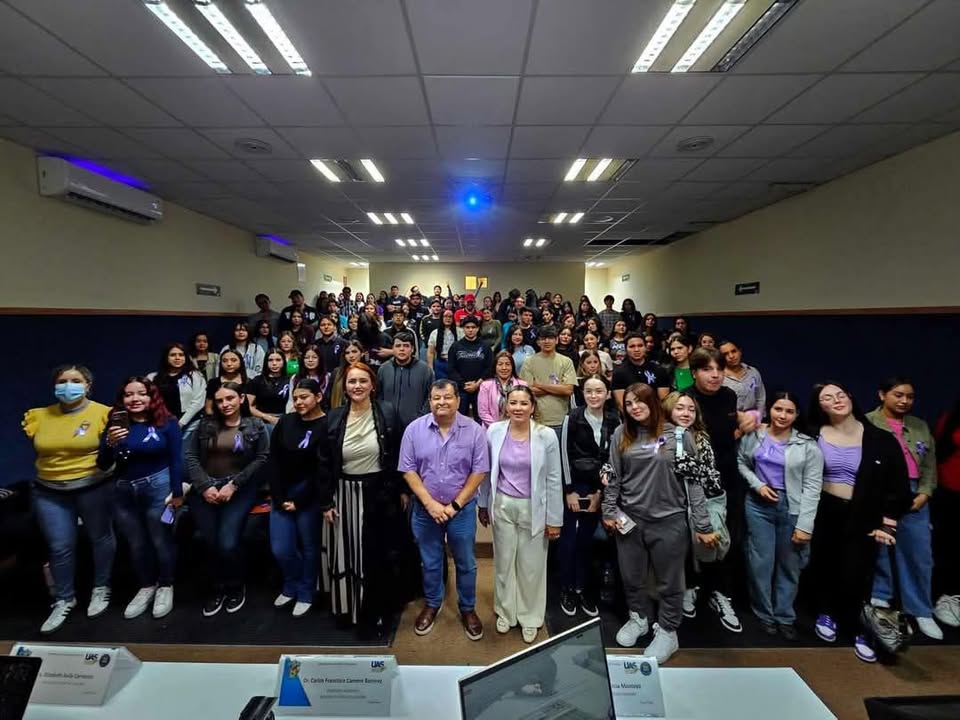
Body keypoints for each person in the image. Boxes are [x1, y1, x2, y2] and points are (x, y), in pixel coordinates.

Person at [602, 383, 713, 664]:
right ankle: (639, 618)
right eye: (629, 403)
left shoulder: (679, 435)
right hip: (630, 520)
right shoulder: (621, 434)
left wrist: (702, 524)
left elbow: (695, 482)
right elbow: (613, 475)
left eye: (640, 401)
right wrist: (609, 510)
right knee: (632, 576)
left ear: (653, 402)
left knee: (670, 581)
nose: (635, 407)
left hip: (669, 521)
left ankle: (667, 631)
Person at [806, 381, 912, 662]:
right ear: (820, 406)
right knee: (824, 564)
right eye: (828, 398)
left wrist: (888, 524)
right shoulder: (813, 434)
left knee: (857, 573)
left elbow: (898, 486)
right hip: (825, 510)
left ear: (850, 397)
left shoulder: (880, 439)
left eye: (841, 394)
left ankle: (859, 629)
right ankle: (826, 613)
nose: (837, 400)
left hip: (864, 514)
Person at [23, 364, 114, 633]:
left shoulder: (103, 413)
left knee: (101, 537)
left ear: (88, 385)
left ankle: (101, 586)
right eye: (63, 380)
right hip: (49, 489)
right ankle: (64, 598)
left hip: (93, 486)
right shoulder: (38, 416)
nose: (68, 385)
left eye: (76, 380)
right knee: (60, 546)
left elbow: (111, 452)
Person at [322, 363, 410, 636]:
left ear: (373, 385)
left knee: (377, 555)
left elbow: (398, 454)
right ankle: (348, 608)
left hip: (380, 492)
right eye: (352, 382)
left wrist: (402, 489)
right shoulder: (334, 417)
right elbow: (324, 462)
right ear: (345, 387)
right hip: (345, 493)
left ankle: (377, 611)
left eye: (362, 381)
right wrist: (327, 501)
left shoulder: (388, 412)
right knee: (348, 553)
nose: (357, 386)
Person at [400, 380, 490, 640]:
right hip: (425, 510)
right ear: (430, 401)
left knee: (466, 563)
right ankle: (432, 602)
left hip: (460, 510)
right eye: (436, 398)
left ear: (458, 400)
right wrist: (430, 503)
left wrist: (454, 506)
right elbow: (408, 469)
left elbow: (479, 471)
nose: (442, 402)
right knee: (430, 561)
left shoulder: (474, 431)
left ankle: (467, 608)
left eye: (447, 397)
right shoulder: (414, 430)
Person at [478, 385, 562, 644]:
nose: (518, 408)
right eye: (513, 403)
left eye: (524, 403)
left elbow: (553, 478)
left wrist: (554, 519)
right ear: (506, 406)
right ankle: (506, 611)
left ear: (533, 407)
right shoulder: (494, 431)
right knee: (503, 562)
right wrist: (483, 503)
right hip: (503, 504)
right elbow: (486, 470)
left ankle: (529, 617)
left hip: (534, 507)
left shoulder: (546, 436)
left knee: (531, 566)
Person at [738, 390, 823, 638]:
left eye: (789, 411)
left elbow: (813, 487)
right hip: (758, 504)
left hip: (793, 507)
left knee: (790, 565)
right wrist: (758, 485)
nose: (783, 415)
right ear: (769, 411)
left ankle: (784, 615)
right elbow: (741, 462)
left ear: (797, 414)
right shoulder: (754, 436)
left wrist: (805, 525)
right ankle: (764, 613)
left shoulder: (808, 445)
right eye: (778, 409)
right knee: (760, 562)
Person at [98, 376, 183, 620]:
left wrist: (177, 493)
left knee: (160, 539)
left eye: (141, 393)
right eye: (128, 394)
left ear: (151, 396)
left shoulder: (167, 422)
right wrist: (108, 443)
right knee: (136, 543)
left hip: (158, 485)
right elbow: (103, 465)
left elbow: (176, 459)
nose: (135, 399)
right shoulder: (115, 424)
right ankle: (147, 586)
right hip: (123, 490)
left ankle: (166, 585)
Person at [185, 382, 269, 617]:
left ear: (241, 398)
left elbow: (262, 458)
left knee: (228, 543)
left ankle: (235, 586)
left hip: (239, 489)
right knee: (209, 543)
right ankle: (217, 588)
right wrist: (204, 487)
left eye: (230, 398)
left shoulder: (255, 425)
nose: (225, 404)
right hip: (206, 489)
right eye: (220, 400)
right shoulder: (205, 425)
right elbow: (191, 456)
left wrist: (234, 484)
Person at [688, 347, 757, 632]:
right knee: (694, 537)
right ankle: (691, 586)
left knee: (726, 538)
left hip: (726, 477)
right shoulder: (686, 400)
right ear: (694, 373)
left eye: (719, 369)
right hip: (695, 480)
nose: (715, 375)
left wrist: (744, 421)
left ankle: (718, 591)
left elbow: (729, 430)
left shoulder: (729, 396)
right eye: (707, 369)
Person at [866, 377, 941, 639]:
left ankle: (920, 610)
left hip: (914, 494)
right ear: (882, 394)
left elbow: (930, 466)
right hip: (882, 493)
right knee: (881, 550)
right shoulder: (867, 423)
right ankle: (880, 598)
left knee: (920, 555)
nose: (904, 401)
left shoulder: (920, 426)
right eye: (898, 395)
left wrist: (925, 492)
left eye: (909, 396)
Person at [559, 374, 620, 618]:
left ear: (607, 393)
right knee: (569, 541)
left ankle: (582, 587)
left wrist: (599, 494)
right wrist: (569, 490)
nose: (594, 395)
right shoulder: (572, 417)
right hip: (575, 487)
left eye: (599, 391)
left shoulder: (615, 420)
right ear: (581, 394)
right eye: (588, 391)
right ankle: (567, 587)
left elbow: (613, 459)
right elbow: (564, 455)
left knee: (587, 541)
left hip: (599, 489)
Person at [662, 391, 726, 623]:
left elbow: (712, 479)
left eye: (691, 409)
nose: (686, 413)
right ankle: (683, 590)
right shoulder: (658, 437)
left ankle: (706, 593)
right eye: (680, 408)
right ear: (669, 409)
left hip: (703, 504)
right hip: (670, 507)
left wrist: (692, 468)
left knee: (707, 551)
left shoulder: (701, 438)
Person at [269, 378, 327, 618]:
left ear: (318, 397)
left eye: (304, 397)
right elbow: (273, 460)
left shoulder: (327, 424)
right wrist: (281, 496)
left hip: (309, 495)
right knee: (281, 548)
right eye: (295, 398)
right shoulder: (286, 421)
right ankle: (290, 584)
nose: (299, 402)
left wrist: (300, 500)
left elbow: (322, 469)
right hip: (282, 492)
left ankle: (305, 591)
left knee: (310, 546)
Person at [520, 326, 577, 441]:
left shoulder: (566, 361)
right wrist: (557, 388)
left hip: (560, 420)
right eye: (543, 338)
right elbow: (527, 391)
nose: (546, 341)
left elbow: (568, 390)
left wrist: (540, 385)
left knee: (559, 458)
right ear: (538, 342)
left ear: (556, 340)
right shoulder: (529, 362)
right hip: (536, 421)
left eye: (550, 338)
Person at [934, 397, 960, 629]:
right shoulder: (950, 419)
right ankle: (945, 598)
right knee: (948, 548)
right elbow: (937, 454)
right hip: (949, 493)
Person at [377, 331, 434, 428]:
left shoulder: (425, 370)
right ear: (393, 349)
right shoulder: (383, 369)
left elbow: (430, 397)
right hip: (388, 426)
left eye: (406, 346)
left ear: (412, 349)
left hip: (416, 425)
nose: (402, 349)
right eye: (398, 346)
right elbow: (379, 396)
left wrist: (421, 417)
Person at [148, 342, 206, 434]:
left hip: (190, 425)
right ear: (166, 357)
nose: (177, 358)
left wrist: (181, 423)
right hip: (162, 424)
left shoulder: (195, 376)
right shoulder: (152, 377)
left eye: (181, 355)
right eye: (173, 355)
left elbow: (199, 402)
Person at [447, 316, 493, 419]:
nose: (470, 330)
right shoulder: (455, 346)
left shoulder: (485, 346)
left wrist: (477, 384)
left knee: (480, 419)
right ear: (463, 329)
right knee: (460, 419)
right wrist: (463, 384)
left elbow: (489, 367)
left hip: (481, 388)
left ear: (477, 329)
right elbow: (451, 369)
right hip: (461, 389)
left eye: (473, 327)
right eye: (467, 327)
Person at [612, 333, 671, 408]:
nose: (636, 350)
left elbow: (664, 402)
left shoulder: (659, 370)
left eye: (640, 346)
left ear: (646, 347)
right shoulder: (619, 373)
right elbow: (621, 404)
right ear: (626, 349)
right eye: (632, 346)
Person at [720, 340, 767, 422]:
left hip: (753, 421)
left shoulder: (753, 372)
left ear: (740, 351)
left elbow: (760, 398)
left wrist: (758, 419)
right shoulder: (719, 377)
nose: (731, 356)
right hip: (730, 423)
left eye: (734, 351)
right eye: (725, 354)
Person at [478, 351, 527, 428]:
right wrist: (499, 428)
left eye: (507, 364)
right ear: (495, 367)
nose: (504, 368)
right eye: (500, 364)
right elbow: (483, 412)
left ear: (512, 367)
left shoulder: (523, 384)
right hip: (492, 430)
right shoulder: (485, 386)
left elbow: (525, 409)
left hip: (517, 428)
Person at [246, 349, 289, 431]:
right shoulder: (257, 380)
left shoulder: (290, 380)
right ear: (266, 362)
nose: (274, 363)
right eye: (270, 360)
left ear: (284, 362)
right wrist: (267, 417)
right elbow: (247, 406)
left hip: (285, 420)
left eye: (278, 360)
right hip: (263, 420)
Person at [204, 349, 249, 415]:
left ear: (240, 362)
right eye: (224, 361)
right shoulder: (213, 383)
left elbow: (250, 408)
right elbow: (208, 408)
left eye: (233, 360)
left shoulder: (249, 382)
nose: (229, 364)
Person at [284, 345, 329, 413]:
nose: (310, 360)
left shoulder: (327, 377)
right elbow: (291, 400)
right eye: (307, 358)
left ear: (320, 359)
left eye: (314, 357)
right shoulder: (295, 378)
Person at [329, 341, 363, 409]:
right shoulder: (336, 373)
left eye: (354, 351)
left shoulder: (368, 372)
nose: (351, 356)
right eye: (347, 353)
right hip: (339, 412)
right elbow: (328, 397)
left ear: (362, 353)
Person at [426, 309, 458, 380]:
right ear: (441, 318)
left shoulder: (459, 332)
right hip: (440, 363)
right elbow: (430, 352)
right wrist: (430, 367)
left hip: (456, 364)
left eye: (450, 317)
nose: (448, 319)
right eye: (445, 316)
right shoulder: (435, 333)